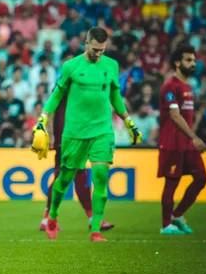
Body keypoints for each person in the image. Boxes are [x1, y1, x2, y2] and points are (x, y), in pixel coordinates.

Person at [31, 27, 142, 242]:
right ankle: (52, 216)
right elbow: (56, 95)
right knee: (64, 179)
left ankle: (95, 230)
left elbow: (115, 96)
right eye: (95, 49)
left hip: (102, 130)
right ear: (86, 44)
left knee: (100, 178)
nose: (99, 54)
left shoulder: (111, 65)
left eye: (102, 50)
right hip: (74, 132)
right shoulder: (71, 66)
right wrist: (43, 119)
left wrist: (129, 121)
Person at [39, 62, 114, 232]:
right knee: (70, 175)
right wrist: (51, 134)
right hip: (66, 137)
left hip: (79, 136)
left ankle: (50, 218)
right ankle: (88, 217)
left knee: (72, 175)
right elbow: (50, 110)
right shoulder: (63, 85)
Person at [158, 44, 206, 235]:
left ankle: (177, 215)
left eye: (194, 60)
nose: (193, 64)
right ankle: (165, 225)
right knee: (172, 182)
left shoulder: (188, 87)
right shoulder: (170, 86)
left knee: (202, 178)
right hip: (172, 142)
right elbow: (175, 115)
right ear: (177, 62)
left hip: (187, 142)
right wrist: (195, 137)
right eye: (188, 60)